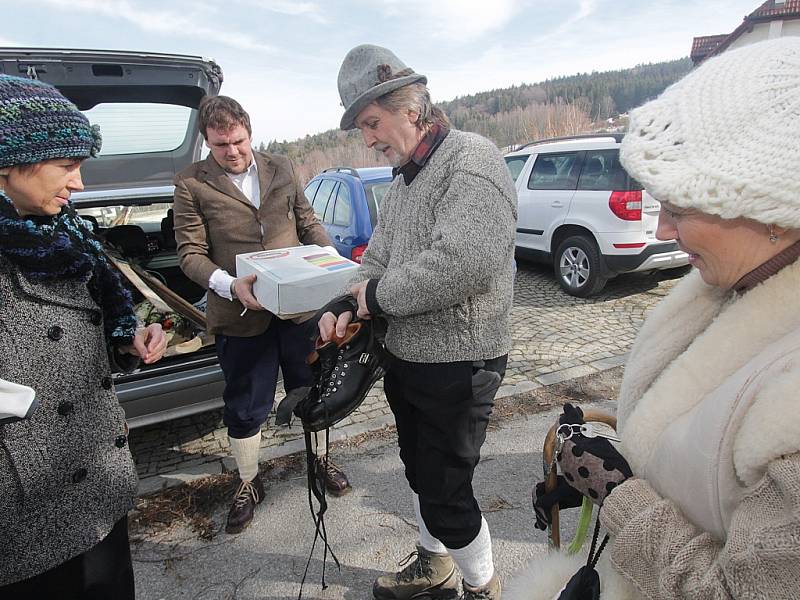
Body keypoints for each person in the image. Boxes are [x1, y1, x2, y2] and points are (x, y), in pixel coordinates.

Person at [508, 36, 800, 600]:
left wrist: (620, 495)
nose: (663, 231)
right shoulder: (733, 286)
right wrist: (612, 443)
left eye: (680, 207)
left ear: (773, 214)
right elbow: (712, 425)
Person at [319, 45, 517, 600]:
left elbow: (467, 261)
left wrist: (372, 299)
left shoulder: (470, 158)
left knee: (446, 490)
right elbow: (377, 261)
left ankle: (482, 586)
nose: (369, 139)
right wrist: (342, 303)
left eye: (372, 123)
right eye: (362, 128)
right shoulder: (406, 179)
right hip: (408, 359)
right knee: (421, 471)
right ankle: (434, 566)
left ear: (409, 107)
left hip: (459, 362)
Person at [0, 74, 168, 598]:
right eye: (67, 166)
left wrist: (126, 342)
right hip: (25, 502)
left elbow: (88, 328)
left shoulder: (67, 236)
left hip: (95, 482)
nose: (79, 184)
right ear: (9, 161)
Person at [172, 95, 352, 535]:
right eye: (220, 145)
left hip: (299, 311)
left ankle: (320, 460)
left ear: (249, 132)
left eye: (237, 140)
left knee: (314, 389)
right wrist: (229, 284)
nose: (231, 151)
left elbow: (308, 223)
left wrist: (332, 263)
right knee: (246, 405)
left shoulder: (283, 167)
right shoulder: (191, 183)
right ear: (207, 144)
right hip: (240, 315)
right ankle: (248, 482)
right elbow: (189, 254)